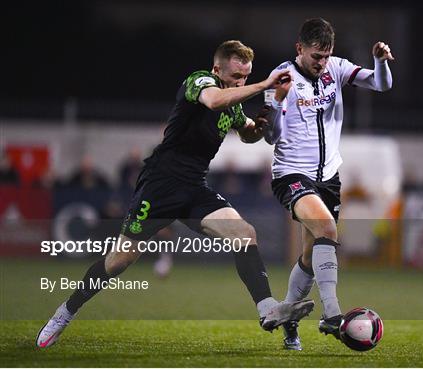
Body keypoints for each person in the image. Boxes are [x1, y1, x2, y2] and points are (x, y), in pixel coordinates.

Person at [36, 40, 314, 348]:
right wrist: (265, 83)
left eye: (245, 77)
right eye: (236, 76)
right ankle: (66, 311)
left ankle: (266, 309)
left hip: (195, 188)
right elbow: (213, 101)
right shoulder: (200, 82)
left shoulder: (233, 103)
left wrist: (268, 110)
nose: (241, 82)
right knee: (118, 261)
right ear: (217, 68)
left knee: (244, 233)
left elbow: (248, 134)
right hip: (160, 186)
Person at [261, 18, 393, 350]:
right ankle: (332, 314)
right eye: (315, 56)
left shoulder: (336, 68)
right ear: (299, 49)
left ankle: (289, 319)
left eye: (326, 56)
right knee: (327, 229)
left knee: (309, 256)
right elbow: (270, 136)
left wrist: (379, 60)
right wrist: (277, 101)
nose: (321, 63)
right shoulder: (281, 77)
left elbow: (381, 85)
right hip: (292, 174)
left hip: (329, 178)